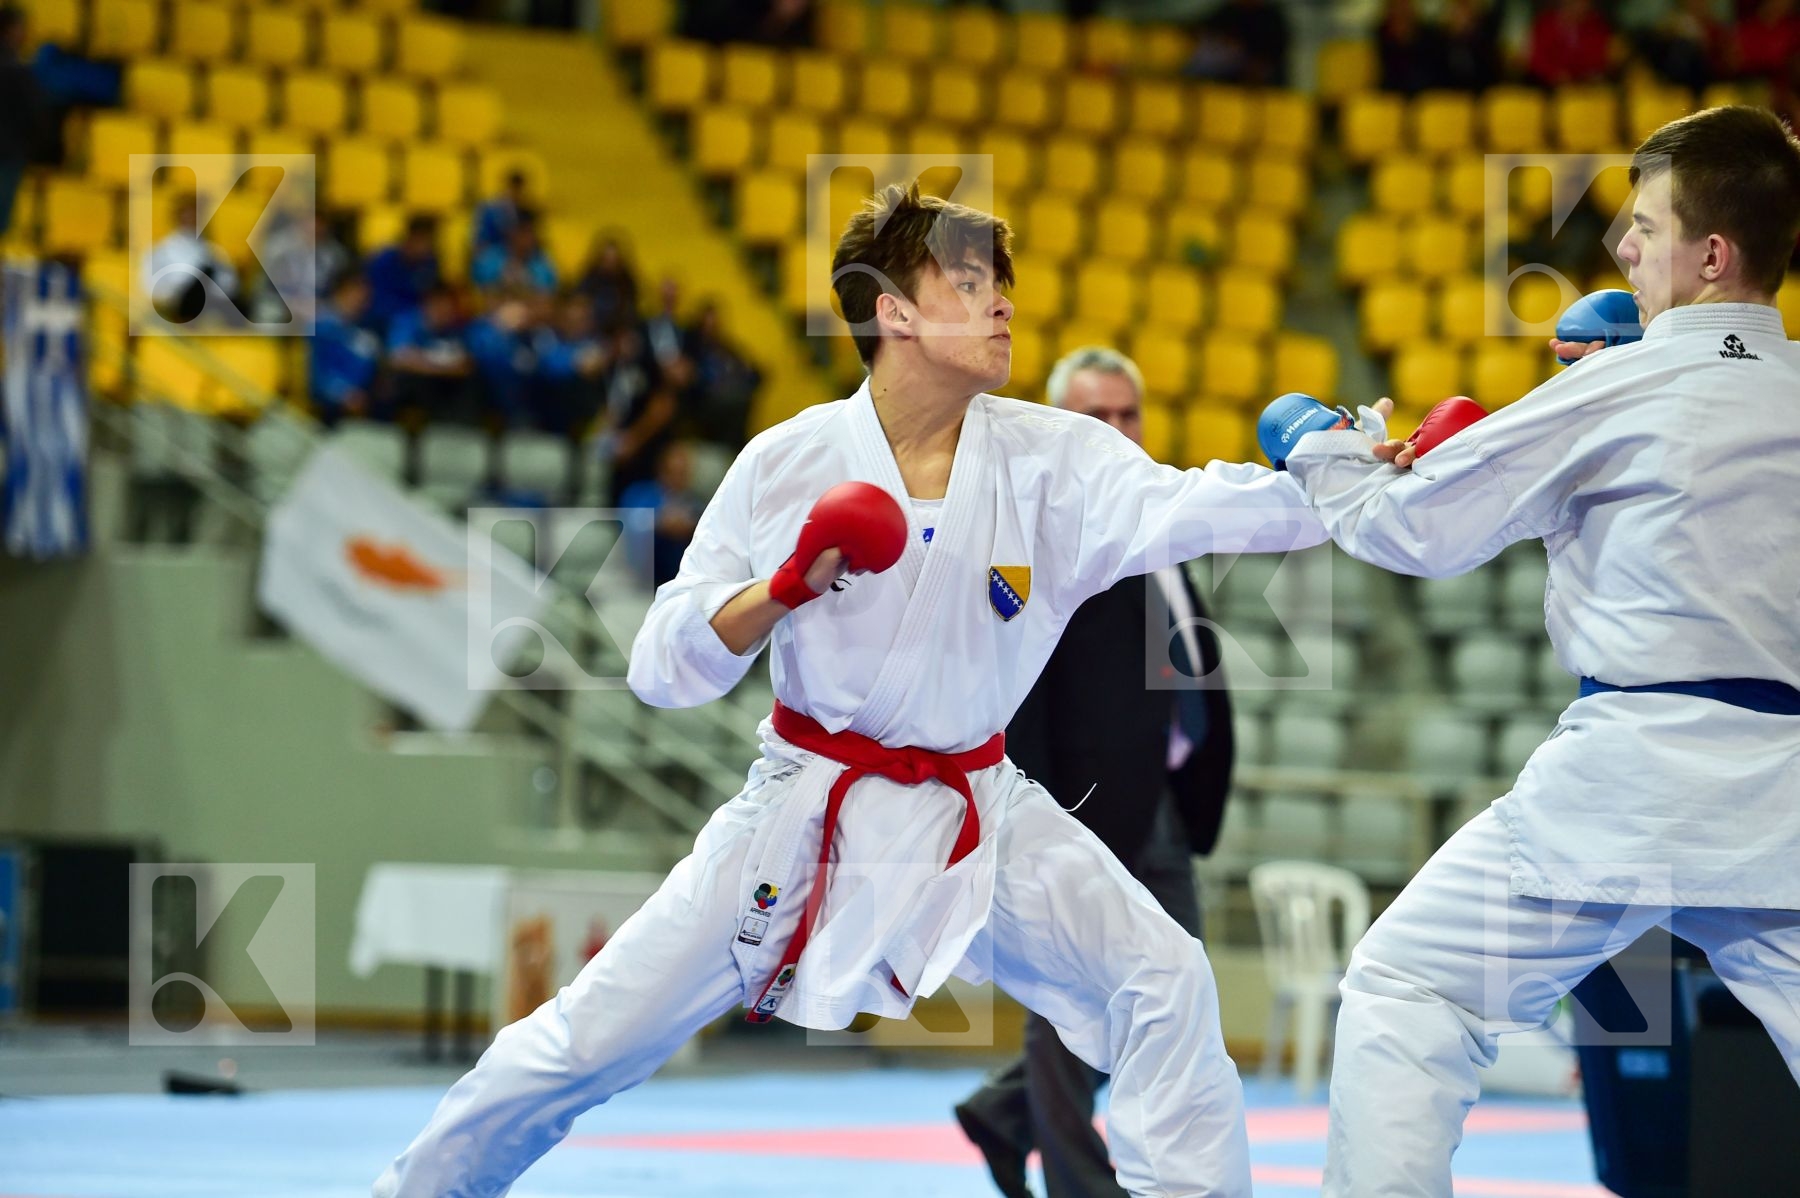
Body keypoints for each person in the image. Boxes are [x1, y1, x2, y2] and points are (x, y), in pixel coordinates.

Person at [373, 181, 1333, 1198]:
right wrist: (781, 588)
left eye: (1002, 283)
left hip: (979, 806)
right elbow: (660, 667)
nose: (1004, 303)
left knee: (1164, 976)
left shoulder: (1055, 459)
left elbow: (1203, 506)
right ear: (895, 310)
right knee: (587, 1040)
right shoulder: (788, 463)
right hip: (805, 806)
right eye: (971, 283)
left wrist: (1345, 476)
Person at [1274, 105, 1800, 1197]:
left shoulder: (1616, 386)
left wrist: (1323, 448)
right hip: (1783, 795)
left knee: (1411, 990)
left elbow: (1412, 529)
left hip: (1632, 777)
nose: (1623, 250)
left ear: (1712, 255)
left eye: (1644, 227)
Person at [954, 347, 1238, 1198]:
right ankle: (1079, 1182)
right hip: (1079, 807)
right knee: (1073, 998)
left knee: (1168, 988)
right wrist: (1039, 810)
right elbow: (1021, 695)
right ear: (1058, 426)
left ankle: (1006, 1113)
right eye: (1094, 416)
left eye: (1127, 414)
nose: (1116, 430)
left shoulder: (1160, 516)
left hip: (1165, 802)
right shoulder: (1036, 534)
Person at [142, 192, 239, 325]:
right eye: (186, 214)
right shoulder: (159, 251)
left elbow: (230, 286)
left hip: (209, 311)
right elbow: (152, 289)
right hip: (174, 310)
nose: (191, 219)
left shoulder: (214, 253)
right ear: (177, 216)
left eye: (195, 214)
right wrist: (183, 289)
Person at [310, 272, 381, 427]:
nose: (360, 303)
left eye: (364, 298)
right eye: (354, 295)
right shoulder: (319, 325)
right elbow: (315, 370)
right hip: (324, 406)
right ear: (339, 293)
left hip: (357, 403)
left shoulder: (362, 333)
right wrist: (342, 394)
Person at [0, 6, 41, 239]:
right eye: (21, 28)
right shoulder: (18, 70)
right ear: (9, 30)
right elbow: (34, 115)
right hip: (7, 155)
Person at [364, 214, 441, 335]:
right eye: (422, 242)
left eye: (429, 243)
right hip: (381, 318)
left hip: (415, 319)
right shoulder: (384, 260)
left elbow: (427, 296)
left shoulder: (429, 263)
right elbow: (375, 299)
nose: (425, 248)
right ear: (410, 239)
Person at [469, 209, 556, 301]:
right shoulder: (489, 259)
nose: (527, 238)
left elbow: (547, 292)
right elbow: (482, 289)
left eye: (530, 233)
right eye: (522, 232)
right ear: (511, 233)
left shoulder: (541, 264)